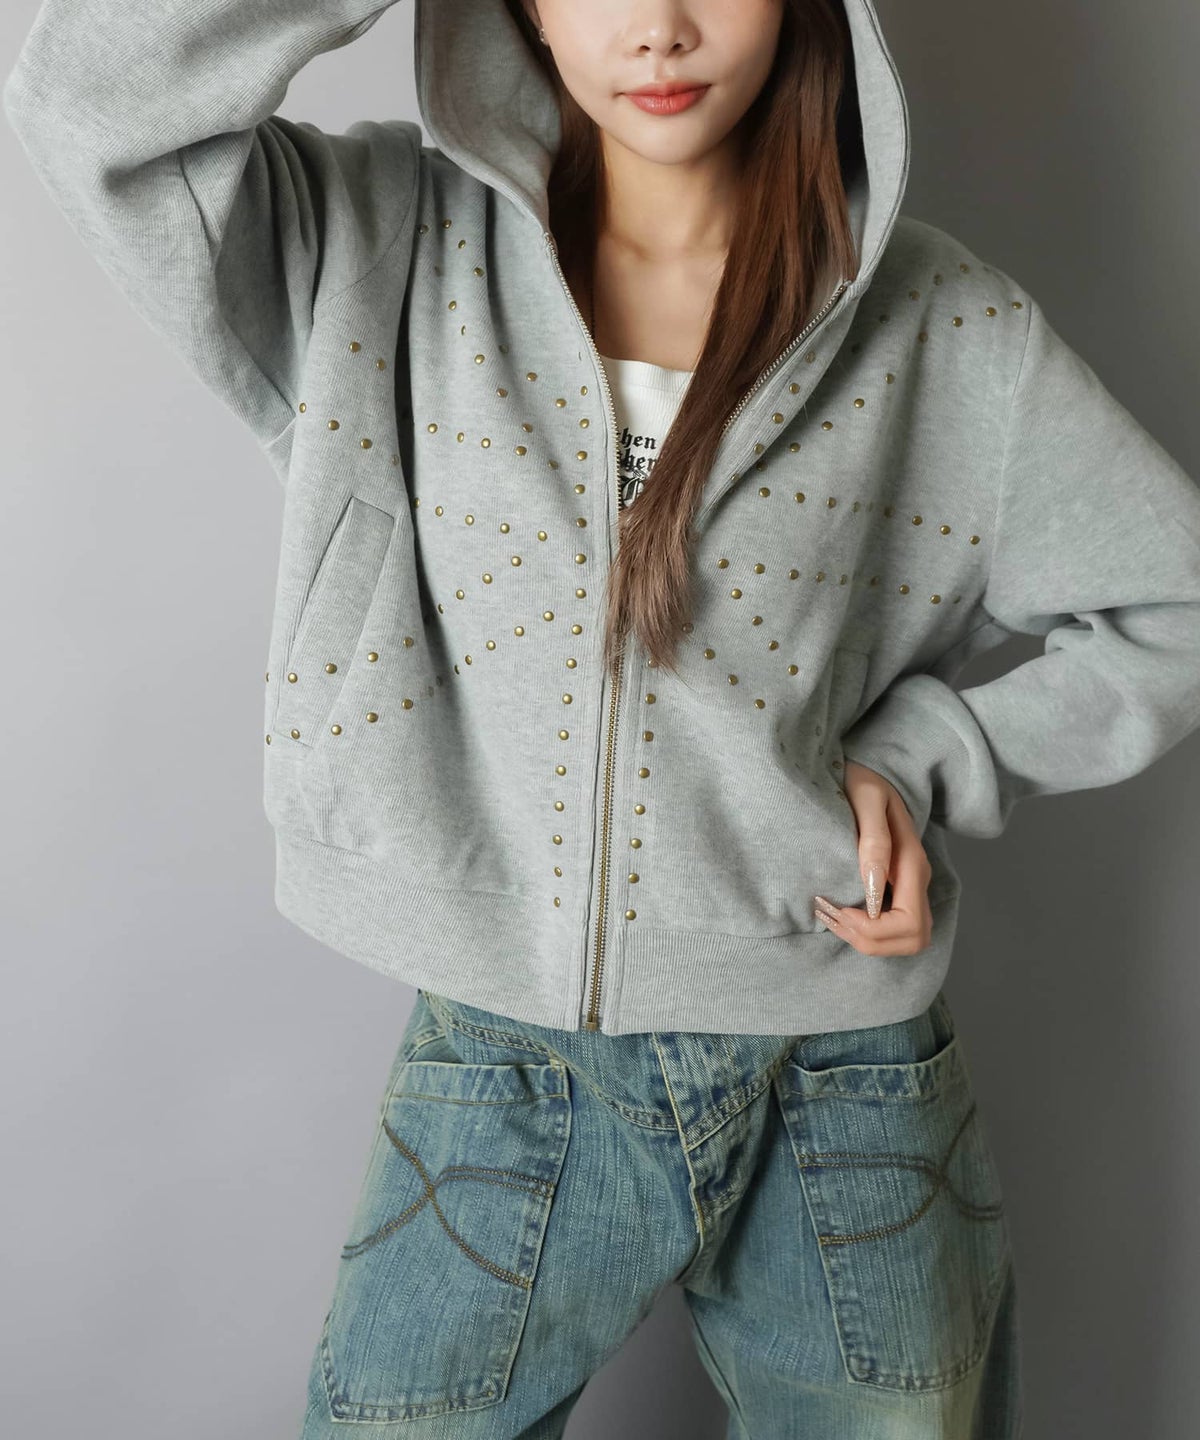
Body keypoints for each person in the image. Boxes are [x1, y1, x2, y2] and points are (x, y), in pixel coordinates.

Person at [6, 0, 1199, 1434]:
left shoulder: (948, 328)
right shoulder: (373, 249)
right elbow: (86, 99)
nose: (659, 29)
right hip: (504, 1068)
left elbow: (1173, 603)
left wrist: (931, 759)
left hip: (845, 1077)